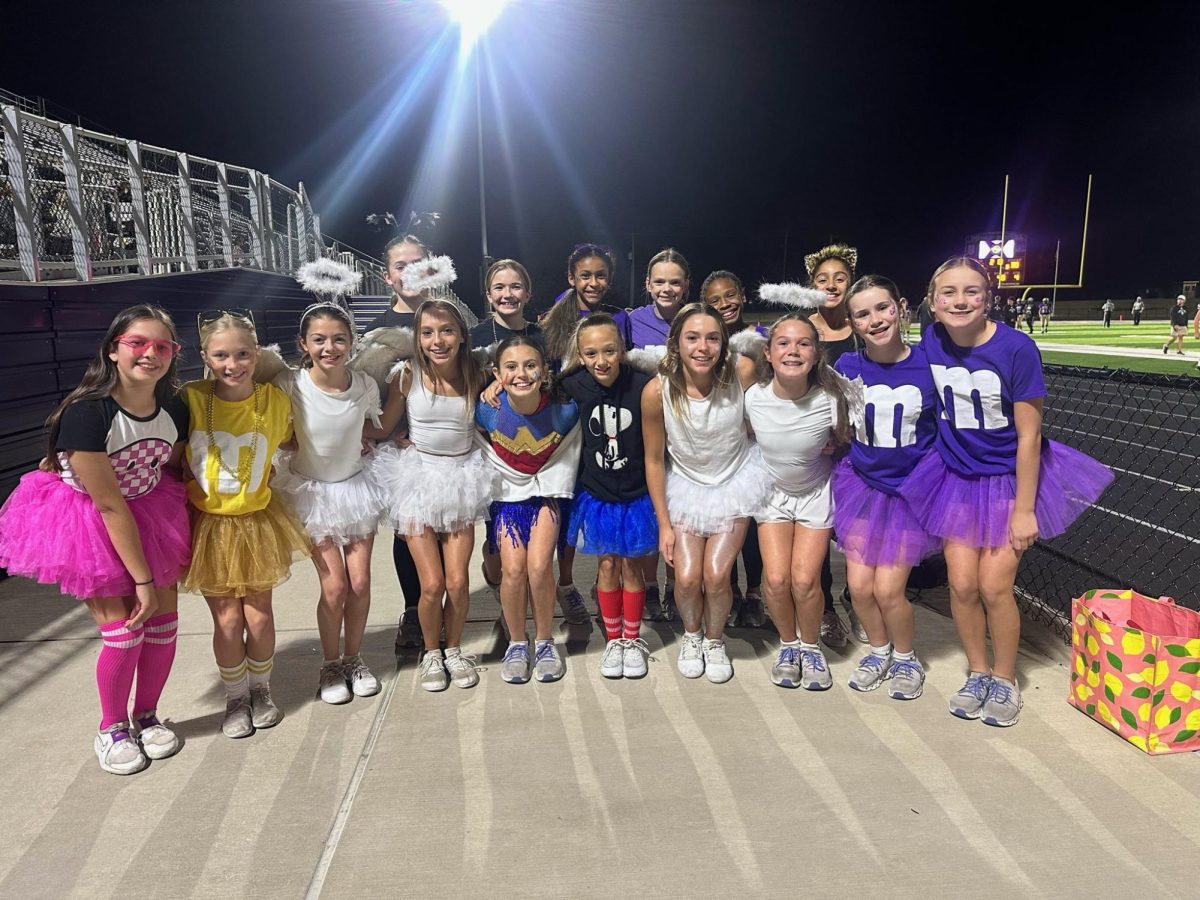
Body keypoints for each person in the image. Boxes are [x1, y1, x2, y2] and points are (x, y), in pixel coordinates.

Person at [901, 258, 1113, 727]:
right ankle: (977, 670)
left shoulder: (1016, 348)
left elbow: (1029, 438)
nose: (960, 301)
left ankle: (1004, 678)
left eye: (972, 291)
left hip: (1005, 480)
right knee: (960, 584)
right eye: (949, 292)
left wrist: (1024, 509)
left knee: (995, 587)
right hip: (954, 476)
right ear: (932, 303)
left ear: (988, 297)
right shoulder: (932, 340)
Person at [0, 305, 191, 774]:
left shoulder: (174, 406)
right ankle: (111, 727)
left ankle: (146, 716)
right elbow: (109, 505)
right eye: (138, 343)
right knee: (124, 634)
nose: (151, 353)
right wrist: (142, 579)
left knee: (163, 628)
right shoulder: (89, 412)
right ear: (113, 349)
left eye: (162, 346)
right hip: (91, 522)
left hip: (148, 510)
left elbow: (167, 465)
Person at [181, 311, 311, 739]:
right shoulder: (191, 399)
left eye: (242, 354)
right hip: (211, 527)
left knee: (258, 617)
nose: (232, 364)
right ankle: (234, 697)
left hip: (257, 523)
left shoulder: (274, 402)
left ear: (256, 356)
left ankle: (261, 690)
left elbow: (293, 441)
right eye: (221, 356)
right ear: (205, 357)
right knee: (228, 622)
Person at [642, 303, 773, 683]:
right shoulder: (657, 391)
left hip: (733, 483)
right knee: (685, 578)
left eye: (713, 337)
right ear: (676, 343)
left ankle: (715, 641)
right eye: (693, 338)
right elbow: (654, 460)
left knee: (716, 575)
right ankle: (692, 635)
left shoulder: (742, 372)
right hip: (683, 486)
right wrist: (664, 524)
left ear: (724, 342)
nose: (703, 347)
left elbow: (786, 379)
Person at [366, 300, 492, 692]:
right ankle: (432, 653)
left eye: (447, 331)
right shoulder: (406, 375)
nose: (438, 340)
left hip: (462, 480)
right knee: (432, 584)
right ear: (417, 338)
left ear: (462, 335)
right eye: (428, 332)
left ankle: (454, 650)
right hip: (418, 479)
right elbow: (383, 426)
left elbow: (504, 405)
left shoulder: (478, 373)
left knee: (457, 583)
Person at [270, 302, 385, 705]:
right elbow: (276, 429)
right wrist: (290, 446)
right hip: (312, 494)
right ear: (303, 343)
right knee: (334, 586)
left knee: (360, 582)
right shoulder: (291, 383)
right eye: (318, 340)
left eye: (339, 339)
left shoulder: (364, 384)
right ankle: (331, 663)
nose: (329, 347)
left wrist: (383, 438)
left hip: (356, 489)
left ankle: (354, 658)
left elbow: (372, 426)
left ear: (352, 343)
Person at [833, 276, 940, 700]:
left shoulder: (930, 365)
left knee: (888, 589)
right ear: (853, 323)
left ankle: (907, 655)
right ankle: (879, 650)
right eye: (862, 314)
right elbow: (841, 423)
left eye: (882, 308)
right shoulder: (847, 367)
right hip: (862, 485)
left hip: (909, 491)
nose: (875, 320)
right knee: (859, 588)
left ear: (900, 307)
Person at [744, 314, 850, 690]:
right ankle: (788, 645)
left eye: (804, 343)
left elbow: (848, 443)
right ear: (768, 354)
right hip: (771, 495)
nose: (793, 350)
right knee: (775, 579)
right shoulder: (752, 397)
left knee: (805, 581)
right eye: (783, 343)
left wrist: (837, 446)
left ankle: (810, 647)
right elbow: (741, 439)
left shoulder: (831, 399)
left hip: (814, 493)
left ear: (817, 354)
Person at [477, 337, 580, 683]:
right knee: (513, 570)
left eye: (530, 365)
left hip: (546, 494)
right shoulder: (486, 410)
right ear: (496, 373)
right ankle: (517, 643)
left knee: (539, 567)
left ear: (545, 370)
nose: (521, 374)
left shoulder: (565, 411)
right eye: (510, 367)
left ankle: (546, 641)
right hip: (507, 498)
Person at [540, 244, 633, 626]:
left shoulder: (618, 318)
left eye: (600, 275)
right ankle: (565, 584)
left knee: (604, 504)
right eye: (585, 275)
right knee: (568, 507)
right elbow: (546, 371)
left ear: (608, 280)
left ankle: (603, 580)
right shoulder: (555, 318)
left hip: (607, 421)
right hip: (569, 422)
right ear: (571, 278)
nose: (593, 282)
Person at [561, 314, 658, 678]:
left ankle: (632, 639)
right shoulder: (572, 384)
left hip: (636, 493)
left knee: (632, 565)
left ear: (622, 349)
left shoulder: (644, 385)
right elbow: (533, 393)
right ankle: (613, 639)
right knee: (606, 564)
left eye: (609, 350)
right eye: (591, 353)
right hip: (597, 493)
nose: (601, 361)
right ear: (580, 355)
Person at [366, 234, 434, 651]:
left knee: (447, 530)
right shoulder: (376, 334)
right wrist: (393, 433)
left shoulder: (450, 319)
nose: (410, 272)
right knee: (407, 533)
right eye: (401, 265)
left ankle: (439, 607)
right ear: (386, 275)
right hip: (402, 450)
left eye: (418, 263)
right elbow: (367, 398)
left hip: (445, 447)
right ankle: (414, 611)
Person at [701, 269, 769, 628]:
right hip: (715, 447)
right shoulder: (705, 341)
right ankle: (728, 589)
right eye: (714, 300)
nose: (724, 304)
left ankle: (754, 592)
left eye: (729, 296)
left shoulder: (760, 339)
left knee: (752, 526)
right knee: (720, 523)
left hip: (752, 444)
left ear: (742, 295)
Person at [804, 243, 864, 647]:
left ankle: (856, 596)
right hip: (815, 442)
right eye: (823, 279)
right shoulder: (802, 325)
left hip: (856, 442)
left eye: (839, 278)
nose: (831, 285)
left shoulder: (862, 325)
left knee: (856, 526)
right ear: (812, 285)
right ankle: (825, 606)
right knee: (819, 530)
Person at [627, 249, 690, 622]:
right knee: (651, 510)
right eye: (660, 281)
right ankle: (649, 587)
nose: (667, 288)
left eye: (675, 282)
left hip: (685, 427)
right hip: (642, 426)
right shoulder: (632, 321)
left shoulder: (694, 319)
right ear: (648, 285)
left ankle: (673, 585)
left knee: (677, 510)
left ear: (685, 286)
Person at [469, 258, 545, 353]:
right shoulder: (473, 338)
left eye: (516, 287)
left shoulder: (544, 338)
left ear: (527, 295)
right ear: (489, 296)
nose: (508, 294)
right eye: (499, 287)